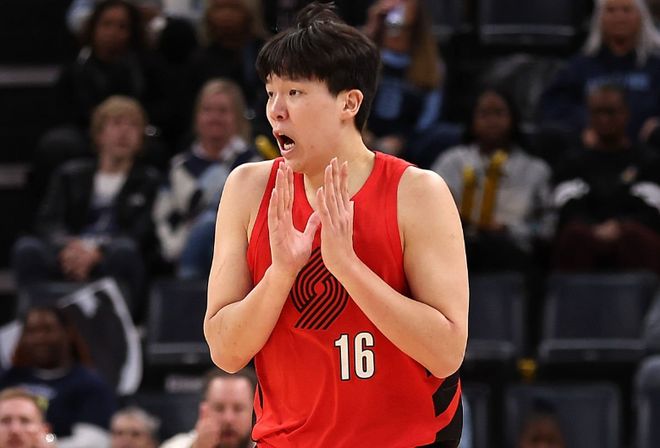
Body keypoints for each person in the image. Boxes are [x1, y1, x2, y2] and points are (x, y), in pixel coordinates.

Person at [204, 3, 468, 447]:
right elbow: (226, 352)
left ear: (349, 102)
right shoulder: (247, 188)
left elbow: (446, 353)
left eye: (295, 92)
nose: (276, 111)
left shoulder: (417, 192)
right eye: (271, 93)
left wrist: (348, 267)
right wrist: (281, 273)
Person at [13, 96, 161, 316]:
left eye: (132, 125)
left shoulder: (150, 180)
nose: (124, 132)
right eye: (116, 123)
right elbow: (48, 221)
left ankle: (125, 326)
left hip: (111, 256)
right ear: (98, 134)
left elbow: (142, 231)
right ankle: (34, 324)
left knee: (125, 252)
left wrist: (99, 252)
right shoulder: (69, 174)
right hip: (69, 252)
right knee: (27, 249)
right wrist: (68, 248)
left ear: (141, 138)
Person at [430, 88, 554, 273]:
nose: (492, 121)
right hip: (457, 244)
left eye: (499, 113)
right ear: (472, 120)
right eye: (484, 114)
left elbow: (546, 227)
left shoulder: (535, 170)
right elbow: (428, 208)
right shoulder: (451, 162)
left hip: (512, 251)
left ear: (514, 119)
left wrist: (509, 229)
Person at [153, 78, 261, 279]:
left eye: (223, 111)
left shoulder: (252, 165)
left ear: (238, 117)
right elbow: (163, 216)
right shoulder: (180, 167)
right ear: (197, 117)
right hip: (184, 251)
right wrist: (174, 245)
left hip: (241, 256)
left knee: (211, 221)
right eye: (207, 110)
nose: (214, 118)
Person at [552, 83, 660, 274]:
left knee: (635, 235)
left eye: (611, 112)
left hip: (630, 239)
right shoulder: (571, 162)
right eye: (597, 112)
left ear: (626, 113)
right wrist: (593, 228)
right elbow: (566, 206)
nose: (604, 119)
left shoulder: (648, 160)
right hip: (587, 237)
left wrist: (619, 226)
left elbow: (651, 208)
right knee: (574, 235)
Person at [538, 0, 660, 150]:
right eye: (611, 10)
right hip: (591, 152)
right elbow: (553, 106)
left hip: (648, 153)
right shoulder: (579, 66)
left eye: (626, 10)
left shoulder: (656, 65)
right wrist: (581, 129)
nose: (619, 17)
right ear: (599, 19)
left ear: (642, 17)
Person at [0, 306, 117, 447]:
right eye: (32, 331)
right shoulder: (9, 378)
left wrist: (48, 442)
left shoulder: (89, 384)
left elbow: (93, 442)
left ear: (67, 333)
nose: (39, 338)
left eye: (47, 330)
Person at [159, 367, 256, 448]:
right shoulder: (175, 445)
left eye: (238, 409)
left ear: (255, 411)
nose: (228, 419)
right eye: (219, 408)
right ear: (203, 410)